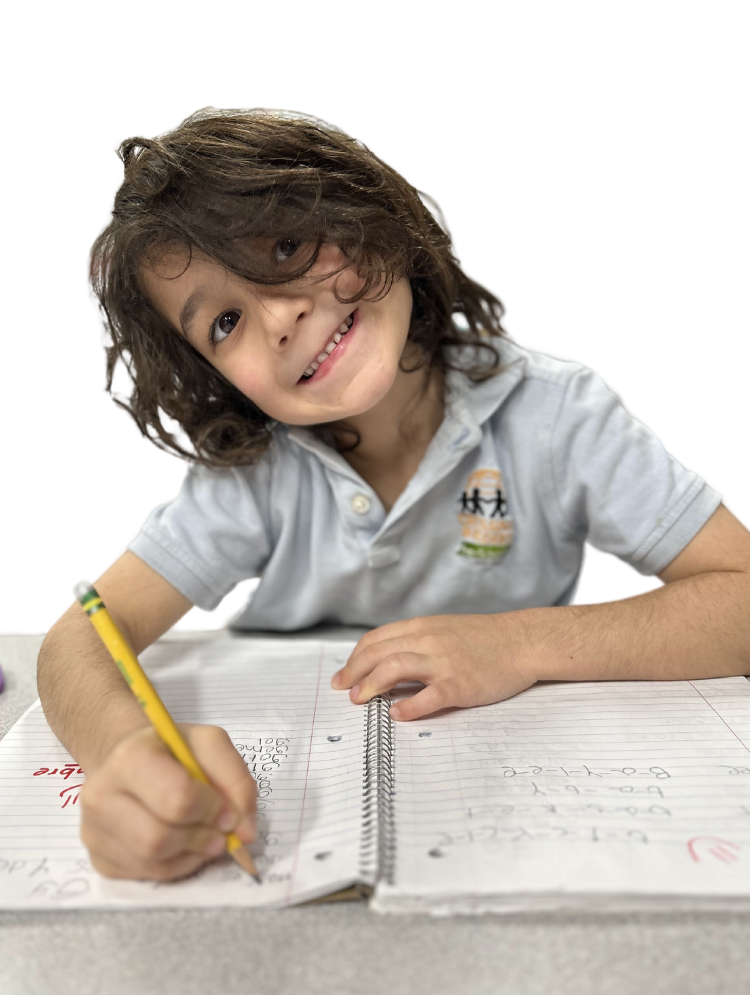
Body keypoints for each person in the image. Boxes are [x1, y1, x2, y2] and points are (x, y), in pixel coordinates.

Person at [38, 106, 750, 885]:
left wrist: (522, 643)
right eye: (227, 321)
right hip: (293, 824)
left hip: (510, 813)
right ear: (213, 377)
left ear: (371, 214)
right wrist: (123, 751)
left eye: (286, 244)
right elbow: (80, 638)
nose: (280, 317)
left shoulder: (559, 411)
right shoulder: (250, 471)